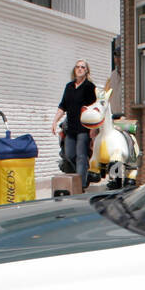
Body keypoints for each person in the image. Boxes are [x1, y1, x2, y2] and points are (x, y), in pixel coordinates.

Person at [53, 59, 96, 192]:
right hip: (71, 128)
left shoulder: (89, 87)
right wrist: (54, 121)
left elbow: (94, 108)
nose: (80, 69)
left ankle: (80, 186)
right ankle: (84, 174)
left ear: (86, 70)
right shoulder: (69, 86)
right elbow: (63, 106)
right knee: (69, 154)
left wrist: (93, 130)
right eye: (77, 67)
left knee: (81, 156)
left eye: (82, 67)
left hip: (84, 128)